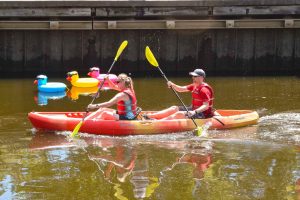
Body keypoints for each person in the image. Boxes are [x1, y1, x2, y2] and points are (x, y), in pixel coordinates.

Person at [144, 68, 216, 120]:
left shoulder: (204, 89)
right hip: (193, 109)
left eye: (195, 76)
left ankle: (159, 122)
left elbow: (206, 106)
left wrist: (194, 112)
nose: (193, 78)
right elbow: (181, 89)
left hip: (202, 114)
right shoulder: (194, 85)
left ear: (202, 77)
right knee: (174, 108)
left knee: (179, 114)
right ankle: (150, 116)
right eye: (193, 76)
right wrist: (172, 85)